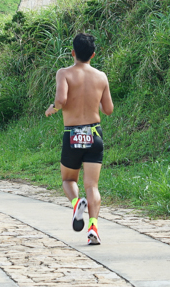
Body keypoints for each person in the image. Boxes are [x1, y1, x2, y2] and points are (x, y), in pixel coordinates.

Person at [45, 33, 113, 245]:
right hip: (94, 133)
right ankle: (93, 227)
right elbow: (108, 109)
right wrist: (98, 101)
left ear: (72, 52)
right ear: (93, 54)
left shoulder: (64, 73)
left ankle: (76, 204)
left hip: (72, 134)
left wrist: (52, 109)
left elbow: (61, 99)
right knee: (92, 185)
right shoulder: (101, 76)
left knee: (68, 179)